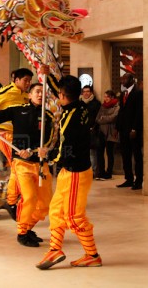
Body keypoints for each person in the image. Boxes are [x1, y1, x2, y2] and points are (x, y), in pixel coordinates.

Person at [0, 83, 55, 248]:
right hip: (22, 163)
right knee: (29, 198)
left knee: (44, 204)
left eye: (43, 92)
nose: (40, 94)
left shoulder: (48, 116)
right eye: (37, 91)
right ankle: (22, 233)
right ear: (29, 95)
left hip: (41, 165)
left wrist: (42, 150)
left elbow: (51, 139)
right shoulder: (17, 110)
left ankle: (28, 227)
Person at [36, 67, 101, 269]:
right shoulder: (79, 107)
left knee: (73, 216)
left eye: (60, 95)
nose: (58, 97)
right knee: (56, 210)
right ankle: (55, 249)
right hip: (69, 172)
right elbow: (62, 89)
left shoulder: (72, 120)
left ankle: (92, 255)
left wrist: (46, 155)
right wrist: (48, 76)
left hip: (76, 173)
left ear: (64, 96)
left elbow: (65, 152)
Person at [116, 73, 144, 190]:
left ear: (132, 80)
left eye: (125, 78)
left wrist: (135, 128)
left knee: (137, 155)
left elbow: (139, 112)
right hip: (123, 129)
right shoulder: (123, 94)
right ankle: (128, 178)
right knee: (125, 154)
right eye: (122, 78)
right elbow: (121, 112)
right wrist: (117, 127)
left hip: (133, 130)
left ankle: (138, 181)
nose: (122, 80)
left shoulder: (138, 93)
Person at [95, 90, 119, 180]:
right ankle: (101, 172)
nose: (105, 98)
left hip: (111, 133)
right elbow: (97, 119)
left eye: (107, 97)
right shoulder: (102, 106)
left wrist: (104, 118)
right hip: (102, 132)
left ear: (112, 97)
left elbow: (114, 117)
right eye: (104, 96)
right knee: (100, 152)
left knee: (110, 153)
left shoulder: (117, 106)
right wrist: (106, 119)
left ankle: (109, 173)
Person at [80, 85, 101, 177]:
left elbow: (99, 117)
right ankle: (84, 171)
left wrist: (93, 127)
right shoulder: (79, 103)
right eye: (84, 91)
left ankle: (93, 171)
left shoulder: (96, 103)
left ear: (91, 92)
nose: (86, 93)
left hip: (92, 131)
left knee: (92, 153)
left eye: (87, 91)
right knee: (82, 153)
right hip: (81, 132)